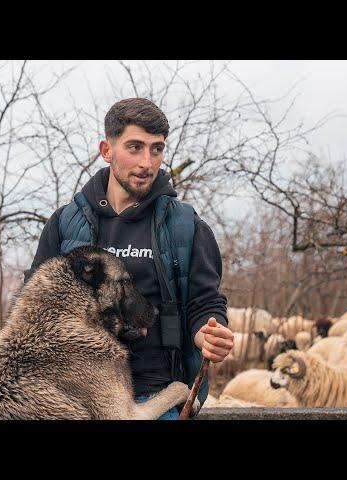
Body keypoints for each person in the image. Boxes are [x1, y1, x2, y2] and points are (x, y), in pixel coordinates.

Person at [24, 98, 234, 419]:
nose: (147, 163)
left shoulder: (185, 225)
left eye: (156, 149)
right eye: (134, 147)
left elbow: (204, 302)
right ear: (107, 150)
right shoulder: (65, 224)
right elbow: (33, 307)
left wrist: (207, 333)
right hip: (74, 396)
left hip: (156, 392)